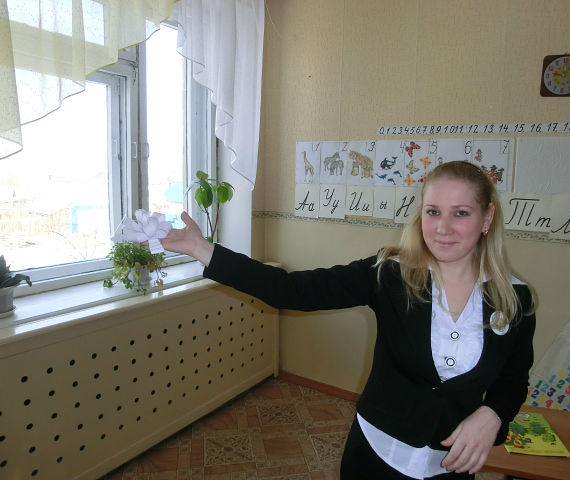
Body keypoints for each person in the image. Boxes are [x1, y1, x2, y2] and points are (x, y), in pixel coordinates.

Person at [158, 160, 536, 480]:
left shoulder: (514, 298)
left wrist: (493, 414)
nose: (443, 227)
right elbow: (290, 289)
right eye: (433, 211)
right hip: (376, 456)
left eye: (461, 213)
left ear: (487, 218)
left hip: (451, 467)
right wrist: (200, 248)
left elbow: (513, 379)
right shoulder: (389, 274)